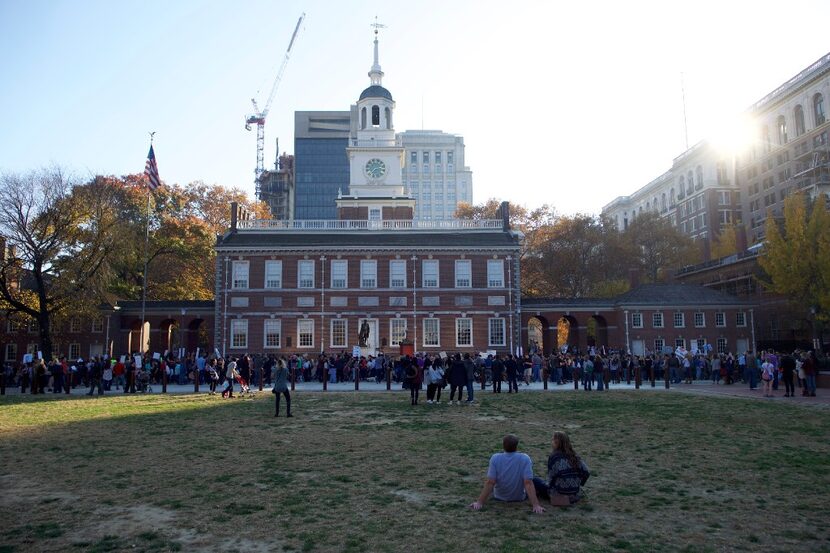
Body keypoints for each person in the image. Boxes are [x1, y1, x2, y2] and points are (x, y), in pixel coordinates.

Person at [469, 434, 545, 514]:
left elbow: (490, 482)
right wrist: (536, 505)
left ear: (503, 445)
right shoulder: (524, 458)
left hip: (499, 496)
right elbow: (528, 483)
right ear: (516, 446)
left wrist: (479, 502)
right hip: (519, 497)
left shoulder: (495, 458)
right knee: (535, 481)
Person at [532, 431, 590, 506]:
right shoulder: (575, 456)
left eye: (552, 440)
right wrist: (578, 484)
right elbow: (586, 472)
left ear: (556, 443)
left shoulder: (554, 457)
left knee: (535, 480)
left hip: (558, 494)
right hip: (575, 493)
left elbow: (550, 478)